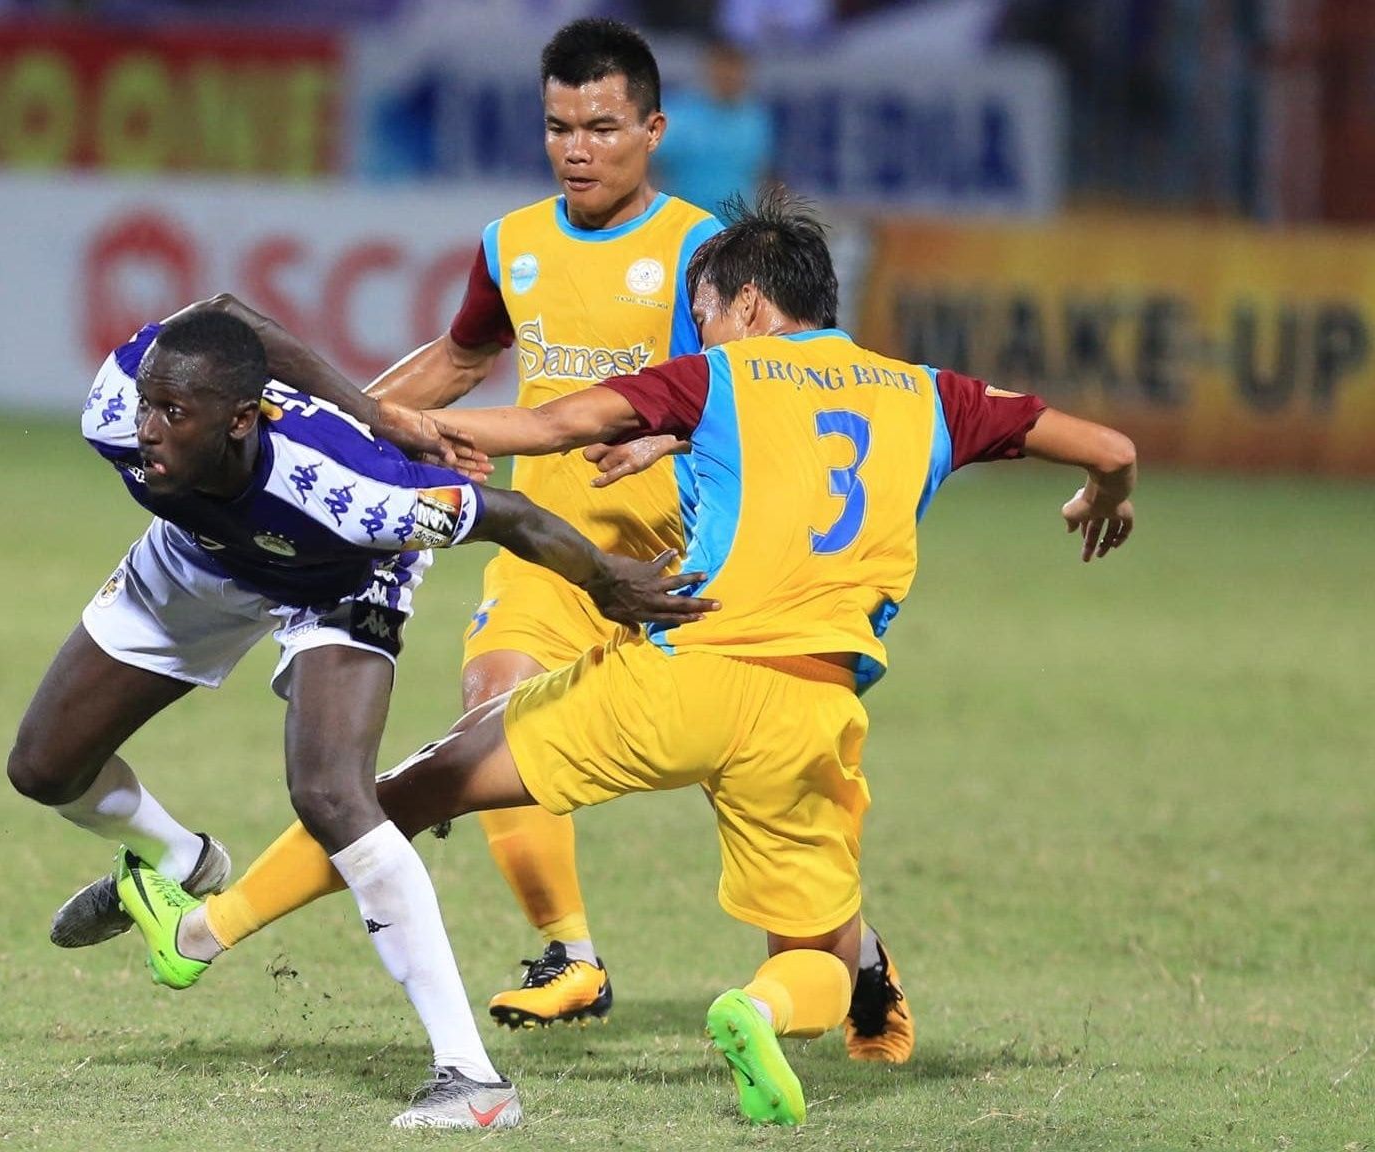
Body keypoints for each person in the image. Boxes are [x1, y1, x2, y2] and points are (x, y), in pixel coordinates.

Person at [113, 188, 1139, 1126]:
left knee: (420, 786)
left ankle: (204, 933)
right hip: (811, 708)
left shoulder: (717, 374)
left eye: (703, 311)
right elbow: (1107, 447)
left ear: (741, 304)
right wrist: (1104, 494)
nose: (699, 328)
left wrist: (412, 427)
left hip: (681, 671)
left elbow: (553, 424)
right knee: (820, 957)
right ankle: (754, 1009)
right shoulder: (932, 395)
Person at [180, 17, 910, 1060]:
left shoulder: (703, 253)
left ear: (652, 129)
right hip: (547, 551)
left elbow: (754, 398)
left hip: (679, 562)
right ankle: (568, 955)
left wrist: (657, 447)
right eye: (559, 126)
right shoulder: (510, 243)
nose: (577, 148)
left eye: (601, 127)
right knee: (489, 707)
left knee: (749, 790)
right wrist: (334, 430)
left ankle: (857, 954)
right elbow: (460, 357)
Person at [8, 295, 713, 1131]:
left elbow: (510, 517)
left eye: (174, 412)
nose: (148, 428)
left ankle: (471, 1078)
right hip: (197, 558)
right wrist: (380, 406)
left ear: (240, 421)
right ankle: (183, 860)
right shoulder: (116, 407)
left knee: (332, 795)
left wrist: (607, 577)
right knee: (44, 768)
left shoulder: (356, 491)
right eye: (149, 403)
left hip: (338, 578)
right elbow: (229, 313)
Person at [652, 40, 772, 212]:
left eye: (735, 68)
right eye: (723, 67)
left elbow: (761, 171)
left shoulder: (756, 118)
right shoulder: (680, 113)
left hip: (737, 225)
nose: (729, 75)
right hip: (688, 222)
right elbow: (649, 161)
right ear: (710, 68)